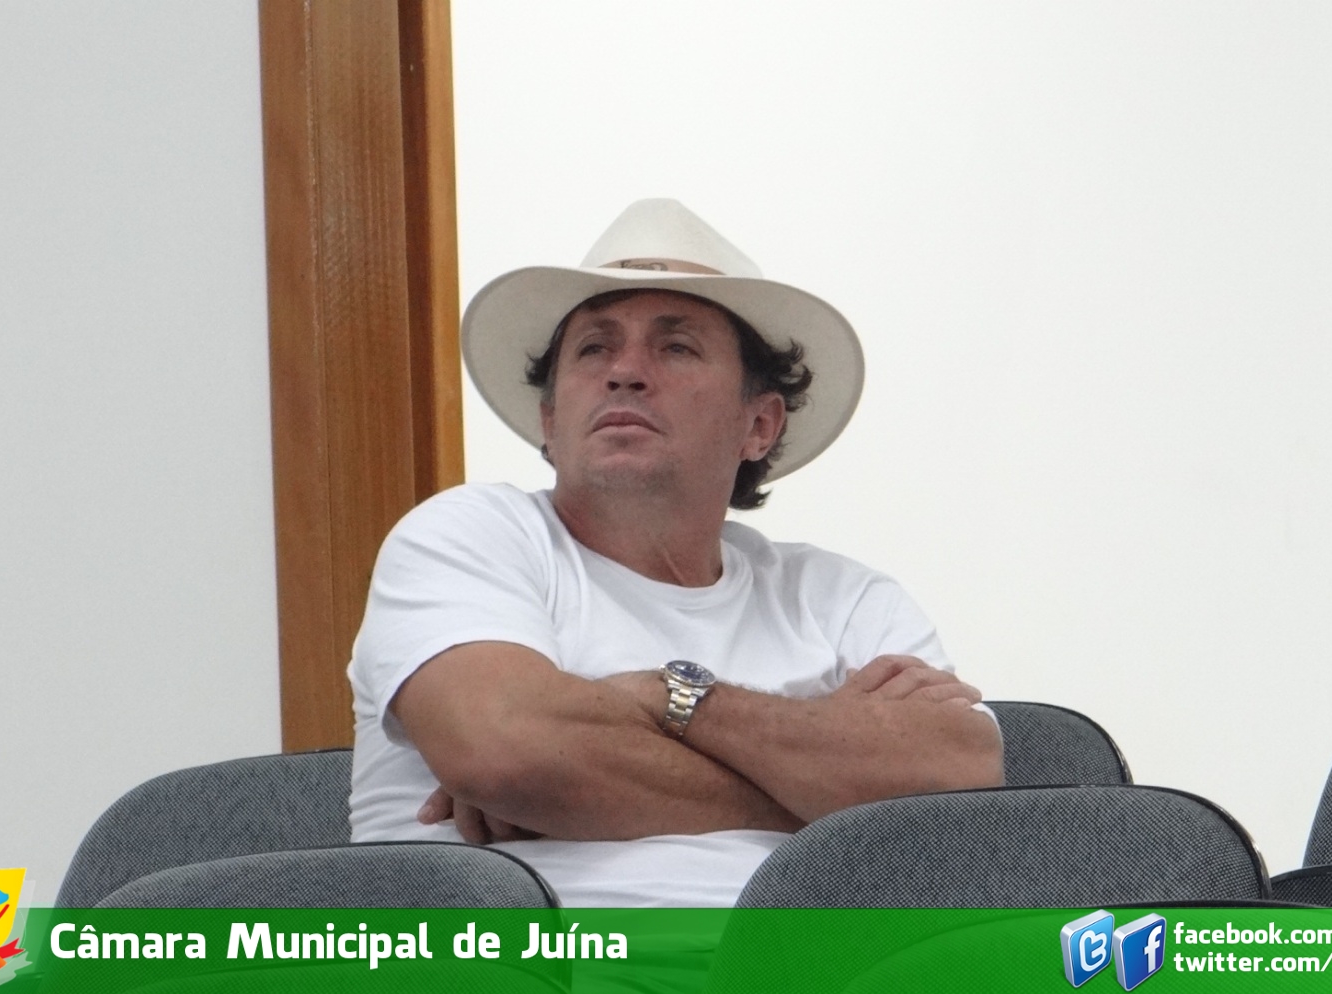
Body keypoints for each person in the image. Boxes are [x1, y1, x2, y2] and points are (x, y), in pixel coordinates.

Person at [348, 199, 1002, 907]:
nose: (625, 371)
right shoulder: (467, 535)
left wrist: (670, 696)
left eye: (676, 347)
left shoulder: (841, 597)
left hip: (822, 957)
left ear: (759, 424)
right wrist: (829, 799)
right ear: (549, 421)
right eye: (593, 348)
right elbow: (503, 751)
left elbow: (961, 776)